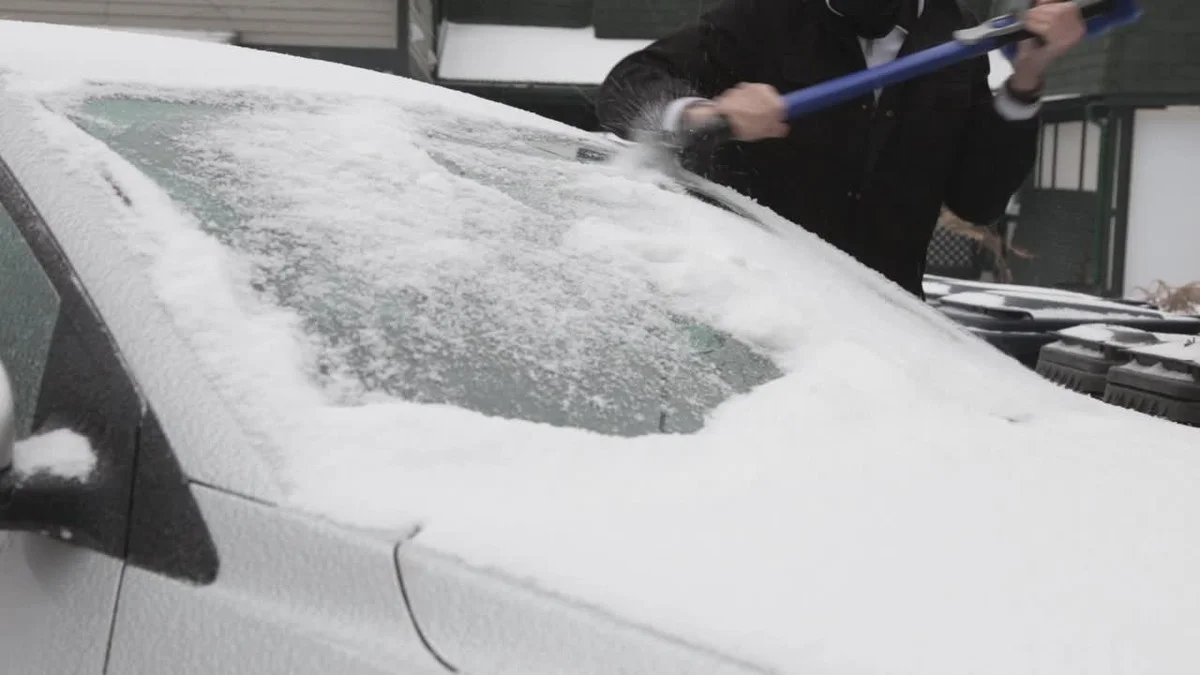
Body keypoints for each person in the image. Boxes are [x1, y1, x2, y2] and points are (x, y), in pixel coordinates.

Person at [596, 0, 1086, 297]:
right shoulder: (764, 18)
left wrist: (1026, 80)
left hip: (889, 330)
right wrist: (702, 115)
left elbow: (976, 199)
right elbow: (627, 84)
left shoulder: (953, 37)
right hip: (759, 319)